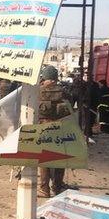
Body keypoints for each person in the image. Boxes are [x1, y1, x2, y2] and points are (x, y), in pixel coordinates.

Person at [37, 65, 73, 198]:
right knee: (59, 158)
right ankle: (57, 187)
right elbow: (71, 108)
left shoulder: (38, 91)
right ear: (56, 78)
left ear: (44, 77)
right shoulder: (64, 92)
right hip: (61, 128)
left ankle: (44, 189)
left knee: (44, 158)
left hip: (43, 127)